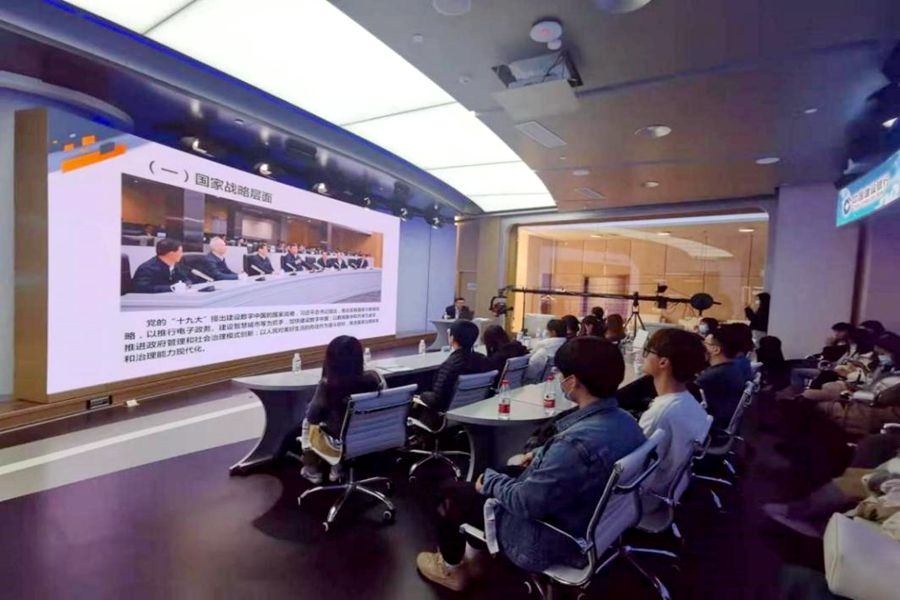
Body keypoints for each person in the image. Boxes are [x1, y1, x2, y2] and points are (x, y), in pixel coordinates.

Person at [415, 337, 646, 591]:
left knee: (450, 494)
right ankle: (475, 554)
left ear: (572, 382)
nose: (559, 380)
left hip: (543, 539)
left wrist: (491, 482)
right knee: (497, 476)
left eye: (561, 375)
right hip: (591, 522)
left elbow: (526, 502)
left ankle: (451, 569)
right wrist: (542, 454)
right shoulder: (627, 423)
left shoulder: (572, 445)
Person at [638, 328, 710, 511]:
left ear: (663, 362)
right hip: (673, 488)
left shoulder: (661, 413)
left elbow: (633, 467)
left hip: (645, 498)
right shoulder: (689, 401)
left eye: (648, 351)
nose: (644, 355)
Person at [300, 336, 385, 485]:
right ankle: (338, 466)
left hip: (338, 442)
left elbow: (313, 417)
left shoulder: (327, 386)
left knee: (308, 422)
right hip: (371, 434)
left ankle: (312, 468)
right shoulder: (375, 378)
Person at [414, 320, 491, 428]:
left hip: (443, 418)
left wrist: (421, 395)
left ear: (452, 338)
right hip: (472, 411)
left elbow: (437, 400)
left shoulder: (451, 365)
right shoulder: (482, 360)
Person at [697, 324, 750, 429]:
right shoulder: (732, 368)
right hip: (722, 422)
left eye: (705, 344)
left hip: (711, 427)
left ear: (716, 350)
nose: (702, 347)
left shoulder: (712, 376)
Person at [524, 319, 568, 383]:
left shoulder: (544, 350)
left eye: (548, 330)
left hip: (539, 384)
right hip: (559, 382)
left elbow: (532, 369)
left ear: (553, 332)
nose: (546, 332)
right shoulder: (567, 347)